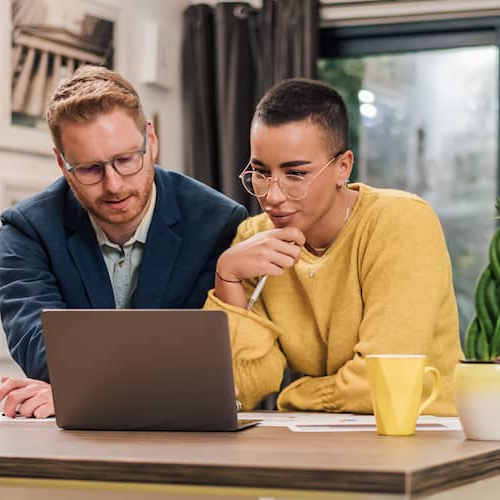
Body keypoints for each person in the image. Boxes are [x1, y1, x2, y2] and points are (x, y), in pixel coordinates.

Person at [0, 65, 247, 418]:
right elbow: (40, 349)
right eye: (89, 168)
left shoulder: (219, 224)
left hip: (190, 437)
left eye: (126, 159)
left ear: (152, 139)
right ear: (61, 161)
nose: (114, 185)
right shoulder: (26, 230)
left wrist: (78, 390)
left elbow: (212, 364)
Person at [204, 78, 463, 415]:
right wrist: (228, 276)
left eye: (295, 173)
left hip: (428, 439)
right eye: (260, 172)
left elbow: (381, 383)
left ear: (343, 167)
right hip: (324, 442)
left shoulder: (402, 222)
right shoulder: (254, 240)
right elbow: (239, 390)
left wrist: (295, 396)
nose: (272, 195)